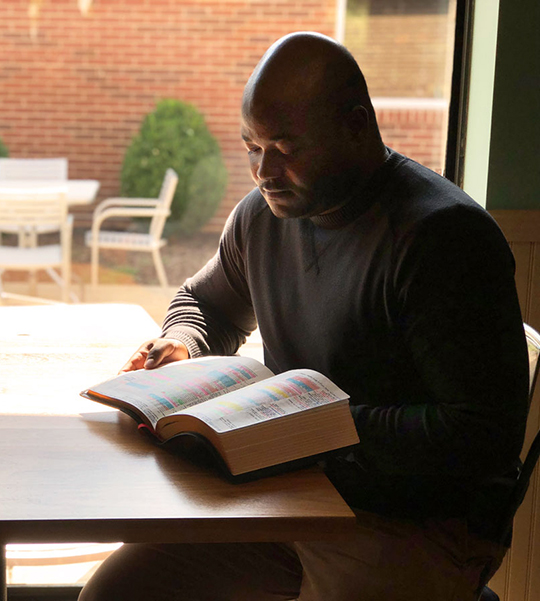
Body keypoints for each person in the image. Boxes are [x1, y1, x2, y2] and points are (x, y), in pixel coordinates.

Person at [79, 32, 529, 601]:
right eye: (251, 146)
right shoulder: (261, 218)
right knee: (115, 593)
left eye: (286, 147)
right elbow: (206, 304)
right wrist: (183, 343)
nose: (263, 170)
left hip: (417, 521)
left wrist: (316, 427)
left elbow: (482, 435)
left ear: (357, 126)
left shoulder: (444, 239)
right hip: (288, 492)